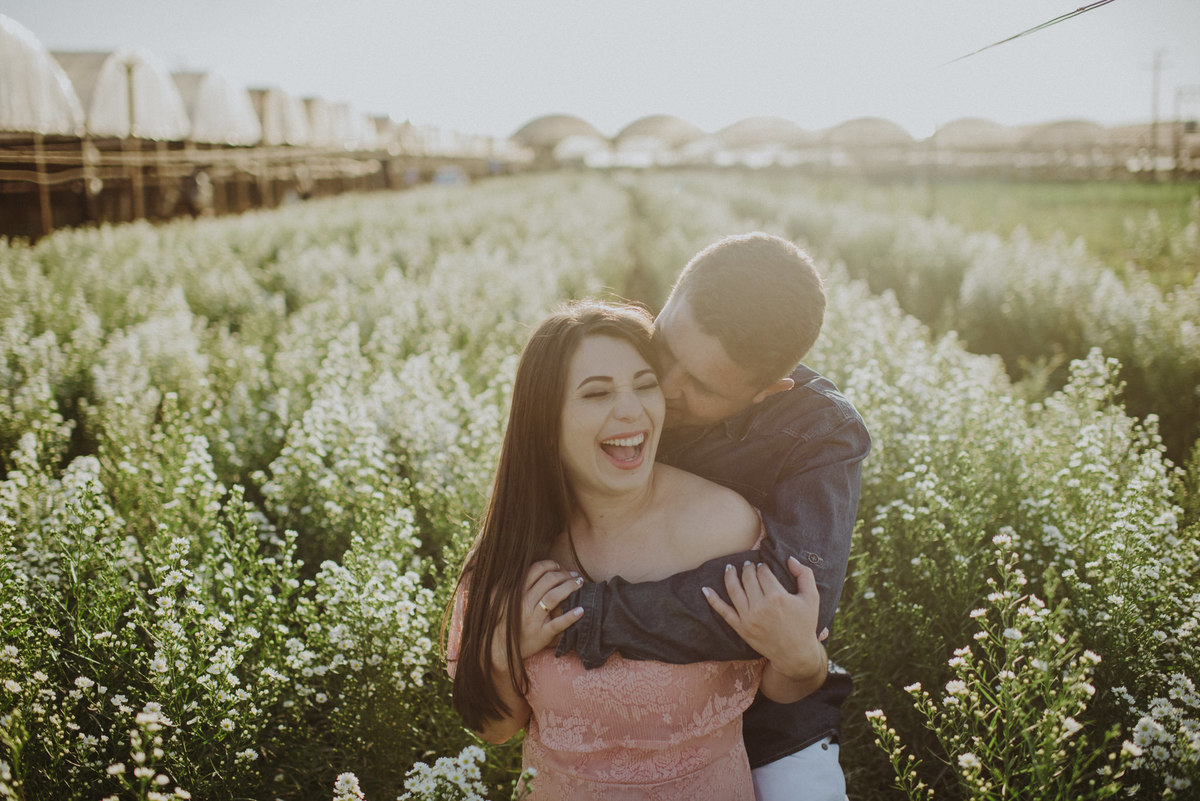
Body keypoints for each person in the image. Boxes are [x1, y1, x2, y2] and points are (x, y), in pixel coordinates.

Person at [446, 300, 827, 799]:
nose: (633, 410)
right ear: (544, 421)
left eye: (645, 385)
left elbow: (783, 688)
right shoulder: (513, 549)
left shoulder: (725, 525)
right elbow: (492, 730)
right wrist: (500, 657)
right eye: (597, 393)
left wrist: (803, 662)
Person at [554, 232, 871, 801]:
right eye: (666, 349)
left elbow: (786, 604)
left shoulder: (822, 430)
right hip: (631, 707)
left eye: (699, 386)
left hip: (772, 719)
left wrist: (585, 614)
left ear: (767, 392)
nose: (664, 390)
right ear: (669, 299)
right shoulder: (624, 367)